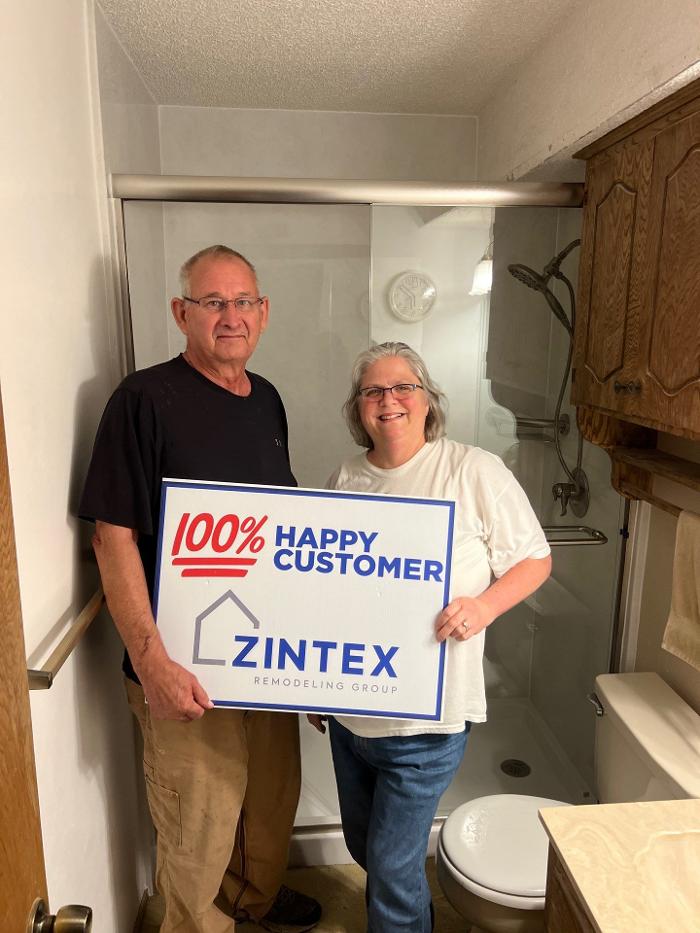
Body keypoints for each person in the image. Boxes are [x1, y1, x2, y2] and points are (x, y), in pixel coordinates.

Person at [80, 245, 321, 933]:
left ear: (263, 312)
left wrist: (313, 660)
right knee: (199, 827)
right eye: (213, 302)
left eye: (242, 302)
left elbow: (281, 532)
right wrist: (152, 662)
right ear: (181, 313)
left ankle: (254, 902)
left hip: (263, 657)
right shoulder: (142, 401)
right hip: (185, 666)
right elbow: (112, 538)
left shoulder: (266, 399)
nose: (230, 316)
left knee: (268, 805)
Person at [308, 341, 552, 933]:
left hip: (428, 719)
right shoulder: (346, 478)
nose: (388, 400)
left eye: (403, 387)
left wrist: (484, 606)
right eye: (373, 390)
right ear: (358, 407)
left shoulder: (472, 470)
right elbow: (326, 589)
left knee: (391, 869)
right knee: (368, 848)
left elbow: (535, 559)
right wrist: (316, 683)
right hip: (352, 716)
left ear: (428, 400)